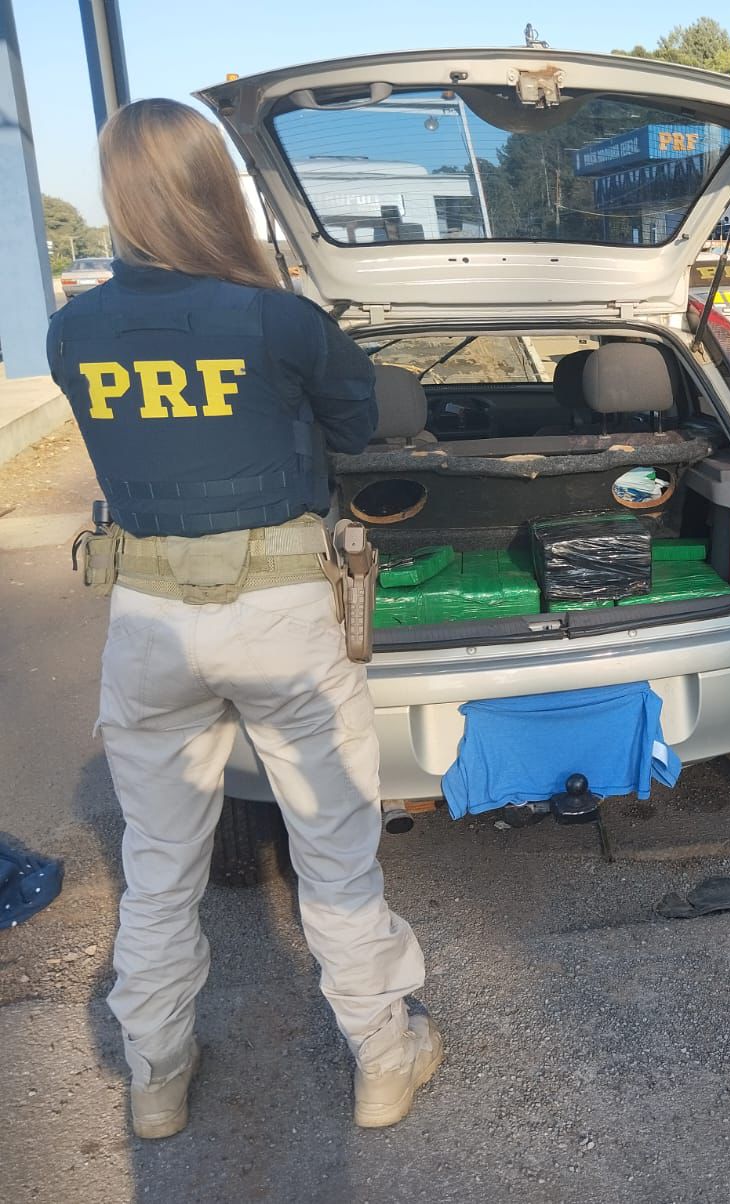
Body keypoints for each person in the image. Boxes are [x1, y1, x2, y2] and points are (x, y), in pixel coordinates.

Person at [45, 99, 441, 1139]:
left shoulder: (72, 328)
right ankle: (383, 1059)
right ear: (215, 186)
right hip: (281, 612)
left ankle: (157, 1077)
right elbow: (364, 419)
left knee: (159, 867)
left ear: (119, 198)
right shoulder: (280, 319)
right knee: (335, 852)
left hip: (148, 621)